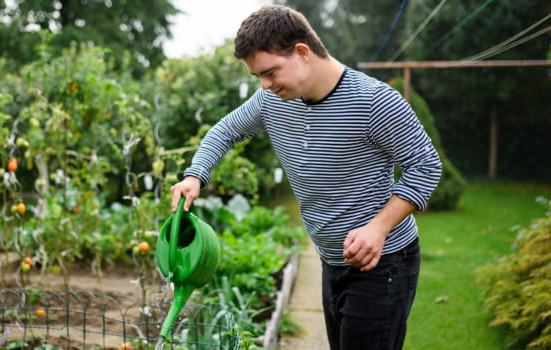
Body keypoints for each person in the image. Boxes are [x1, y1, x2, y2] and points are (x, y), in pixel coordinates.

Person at [169, 5, 442, 350]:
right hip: (331, 259)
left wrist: (378, 227)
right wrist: (196, 175)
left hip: (382, 262)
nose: (265, 86)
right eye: (258, 78)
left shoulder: (373, 101)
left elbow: (426, 166)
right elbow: (224, 131)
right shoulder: (272, 101)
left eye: (270, 73)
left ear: (302, 52)